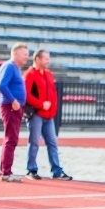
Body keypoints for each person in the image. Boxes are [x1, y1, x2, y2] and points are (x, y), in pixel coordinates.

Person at [24, 50, 73, 181]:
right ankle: (31, 170)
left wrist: (53, 109)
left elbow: (52, 93)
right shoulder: (30, 74)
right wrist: (40, 104)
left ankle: (57, 171)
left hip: (48, 115)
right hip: (36, 114)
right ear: (38, 59)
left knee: (53, 143)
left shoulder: (49, 74)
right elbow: (26, 95)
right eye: (46, 58)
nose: (48, 61)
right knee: (34, 142)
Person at [0, 42, 29, 183]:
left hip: (15, 107)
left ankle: (5, 171)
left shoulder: (16, 68)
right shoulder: (10, 66)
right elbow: (2, 85)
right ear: (15, 53)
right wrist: (13, 100)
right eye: (24, 54)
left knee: (11, 139)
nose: (26, 58)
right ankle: (6, 172)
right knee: (11, 139)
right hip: (10, 107)